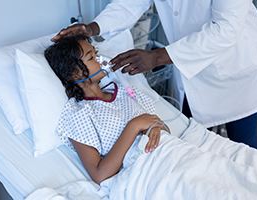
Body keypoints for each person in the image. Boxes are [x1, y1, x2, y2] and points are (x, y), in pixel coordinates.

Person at [51, 0, 257, 150]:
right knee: (197, 145)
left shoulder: (132, 96)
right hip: (191, 73)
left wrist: (157, 57)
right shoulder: (80, 113)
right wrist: (91, 28)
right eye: (91, 57)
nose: (97, 58)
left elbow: (227, 28)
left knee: (244, 150)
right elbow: (130, 3)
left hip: (236, 71)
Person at [44, 35, 168, 185]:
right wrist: (134, 125)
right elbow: (100, 175)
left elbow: (160, 126)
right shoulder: (79, 114)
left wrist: (156, 128)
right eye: (91, 58)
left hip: (169, 153)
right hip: (147, 175)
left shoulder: (125, 92)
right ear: (74, 73)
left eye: (96, 53)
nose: (100, 59)